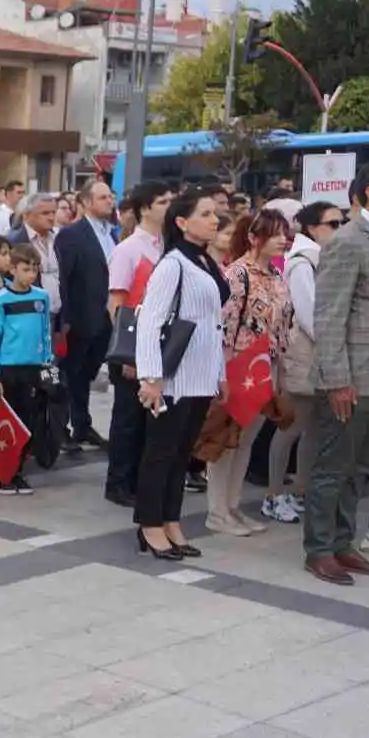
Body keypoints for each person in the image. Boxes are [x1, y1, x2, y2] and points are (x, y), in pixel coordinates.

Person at [134, 189, 230, 561]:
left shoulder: (205, 261)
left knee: (181, 454)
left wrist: (219, 371)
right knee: (161, 453)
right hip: (172, 377)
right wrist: (152, 377)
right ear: (182, 222)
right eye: (205, 213)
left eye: (214, 213)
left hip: (201, 374)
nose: (214, 219)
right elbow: (150, 321)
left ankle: (170, 519)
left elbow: (213, 323)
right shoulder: (173, 264)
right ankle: (149, 524)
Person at [307, 158, 369, 584]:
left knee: (360, 467)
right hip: (353, 377)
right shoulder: (348, 241)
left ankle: (344, 543)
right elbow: (329, 316)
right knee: (333, 467)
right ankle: (320, 549)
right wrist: (337, 378)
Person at [205, 209, 290, 536]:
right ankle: (217, 511)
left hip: (265, 366)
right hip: (238, 365)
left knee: (247, 441)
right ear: (255, 238)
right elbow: (225, 327)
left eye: (285, 233)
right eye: (276, 233)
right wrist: (223, 372)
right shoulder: (237, 274)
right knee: (227, 440)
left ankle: (233, 506)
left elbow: (284, 324)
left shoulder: (277, 276)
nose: (283, 239)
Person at [264, 201, 343, 524]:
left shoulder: (324, 257)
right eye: (333, 224)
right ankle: (273, 494)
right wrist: (334, 343)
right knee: (291, 427)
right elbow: (309, 313)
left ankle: (300, 489)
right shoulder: (302, 261)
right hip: (306, 354)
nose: (339, 230)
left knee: (312, 428)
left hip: (323, 353)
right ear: (312, 227)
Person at [103, 181, 172, 508]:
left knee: (150, 421)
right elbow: (116, 303)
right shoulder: (129, 249)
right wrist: (129, 352)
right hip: (131, 348)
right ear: (145, 208)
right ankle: (119, 482)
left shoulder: (167, 246)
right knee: (128, 418)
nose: (168, 207)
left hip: (159, 345)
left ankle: (139, 480)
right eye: (162, 201)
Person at [0, 246, 54, 495]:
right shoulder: (0, 299)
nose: (31, 274)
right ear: (12, 270)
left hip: (33, 368)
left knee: (29, 422)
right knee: (7, 423)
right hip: (8, 369)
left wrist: (47, 363)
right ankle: (4, 474)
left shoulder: (41, 297)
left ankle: (19, 471)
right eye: (26, 269)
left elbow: (46, 333)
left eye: (35, 268)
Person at [54, 180, 118, 451]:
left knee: (87, 374)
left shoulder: (112, 233)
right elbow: (64, 279)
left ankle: (83, 424)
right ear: (87, 202)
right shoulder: (72, 235)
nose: (110, 201)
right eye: (103, 197)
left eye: (111, 197)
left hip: (107, 317)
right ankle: (65, 427)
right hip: (80, 316)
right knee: (71, 373)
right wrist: (65, 319)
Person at [9, 192, 60, 318]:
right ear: (26, 215)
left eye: (53, 212)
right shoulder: (14, 241)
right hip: (28, 312)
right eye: (45, 213)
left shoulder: (58, 239)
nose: (51, 217)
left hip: (56, 312)